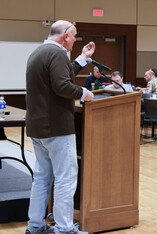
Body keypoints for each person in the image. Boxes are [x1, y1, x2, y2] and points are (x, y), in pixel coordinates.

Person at [25, 20, 95, 234]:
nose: (75, 40)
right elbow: (62, 85)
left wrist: (82, 59)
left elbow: (61, 76)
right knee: (66, 178)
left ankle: (35, 225)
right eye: (74, 36)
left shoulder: (39, 52)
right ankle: (65, 229)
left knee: (42, 177)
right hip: (56, 128)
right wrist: (84, 93)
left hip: (39, 127)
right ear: (65, 35)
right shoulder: (57, 54)